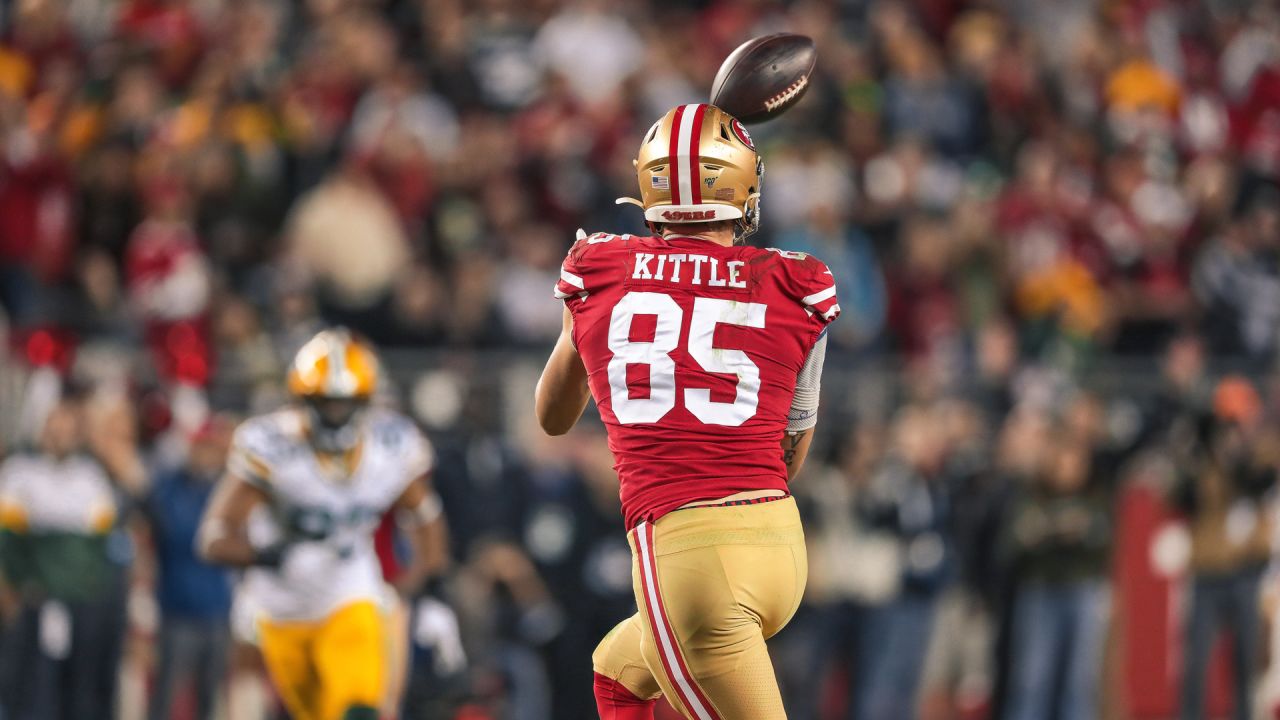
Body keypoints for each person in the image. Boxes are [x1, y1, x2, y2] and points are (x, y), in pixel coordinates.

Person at [536, 103, 839, 720]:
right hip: (777, 542)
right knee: (618, 672)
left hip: (688, 557)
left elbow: (553, 417)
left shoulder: (598, 268)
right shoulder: (797, 280)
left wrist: (576, 318)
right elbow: (791, 452)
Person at [197, 328, 449, 720]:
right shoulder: (273, 447)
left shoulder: (390, 447)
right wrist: (261, 554)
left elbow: (425, 514)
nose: (336, 414)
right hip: (281, 605)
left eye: (345, 403)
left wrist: (430, 586)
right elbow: (212, 537)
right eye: (327, 403)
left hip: (349, 590)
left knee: (359, 707)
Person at [0, 400, 129, 720]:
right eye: (54, 427)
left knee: (81, 689)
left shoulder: (90, 475)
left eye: (68, 429)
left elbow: (103, 543)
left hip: (83, 602)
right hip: (32, 598)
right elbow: (7, 543)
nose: (60, 435)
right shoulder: (20, 471)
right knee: (29, 688)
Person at [144, 415, 236, 720]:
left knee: (209, 699)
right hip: (178, 610)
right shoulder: (171, 486)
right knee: (166, 695)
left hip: (218, 610)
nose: (208, 455)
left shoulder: (226, 488)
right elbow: (187, 535)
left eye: (214, 448)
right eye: (203, 447)